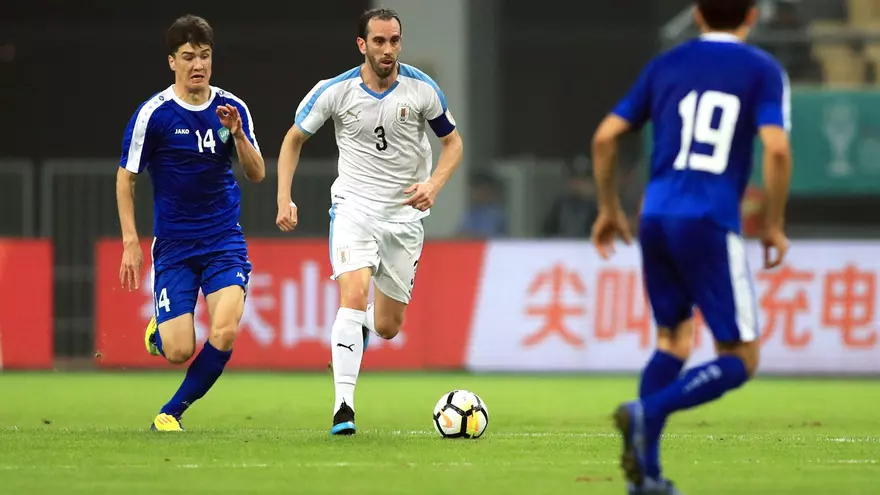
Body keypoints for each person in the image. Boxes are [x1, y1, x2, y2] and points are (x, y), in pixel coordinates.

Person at [590, 0, 792, 492]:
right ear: (751, 16)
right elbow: (779, 148)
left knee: (673, 343)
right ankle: (647, 411)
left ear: (698, 15)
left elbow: (604, 138)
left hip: (655, 216)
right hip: (708, 218)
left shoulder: (666, 65)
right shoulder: (763, 69)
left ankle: (648, 477)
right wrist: (773, 223)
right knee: (741, 357)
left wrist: (609, 209)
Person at [275, 7, 463, 436]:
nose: (387, 49)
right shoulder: (335, 91)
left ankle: (350, 339)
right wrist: (284, 197)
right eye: (378, 41)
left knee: (386, 326)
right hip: (354, 208)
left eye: (394, 40)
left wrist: (433, 184)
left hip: (404, 217)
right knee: (353, 295)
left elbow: (453, 144)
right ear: (362, 44)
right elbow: (293, 139)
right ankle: (344, 407)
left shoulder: (421, 89)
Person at [116, 14, 265, 432]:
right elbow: (125, 178)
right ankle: (162, 331)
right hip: (175, 247)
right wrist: (131, 241)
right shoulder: (154, 115)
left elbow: (256, 174)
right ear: (172, 62)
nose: (197, 64)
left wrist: (237, 135)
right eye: (188, 57)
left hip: (222, 242)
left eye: (204, 56)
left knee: (225, 331)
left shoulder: (231, 108)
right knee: (180, 350)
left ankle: (171, 411)